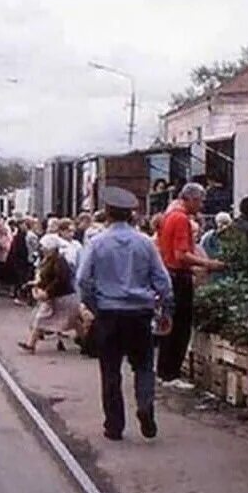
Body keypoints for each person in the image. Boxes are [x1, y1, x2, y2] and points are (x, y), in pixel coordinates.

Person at [77, 186, 173, 441]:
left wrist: (95, 306)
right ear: (131, 214)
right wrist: (164, 306)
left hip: (108, 314)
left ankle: (114, 425)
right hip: (140, 314)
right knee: (143, 366)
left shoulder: (97, 243)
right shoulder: (145, 242)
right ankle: (144, 406)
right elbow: (162, 280)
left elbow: (83, 280)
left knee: (110, 370)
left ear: (107, 213)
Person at [155, 183, 224, 388]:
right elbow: (181, 254)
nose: (202, 205)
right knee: (181, 325)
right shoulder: (181, 218)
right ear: (192, 199)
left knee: (170, 324)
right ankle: (171, 374)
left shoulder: (169, 215)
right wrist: (208, 264)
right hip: (178, 278)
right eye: (201, 201)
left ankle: (164, 371)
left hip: (170, 274)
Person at [18, 233, 89, 353]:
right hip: (60, 297)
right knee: (72, 321)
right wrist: (37, 284)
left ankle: (87, 343)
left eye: (44, 247)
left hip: (62, 297)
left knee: (45, 319)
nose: (42, 249)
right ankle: (87, 343)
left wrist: (47, 291)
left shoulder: (59, 261)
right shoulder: (52, 260)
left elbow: (59, 280)